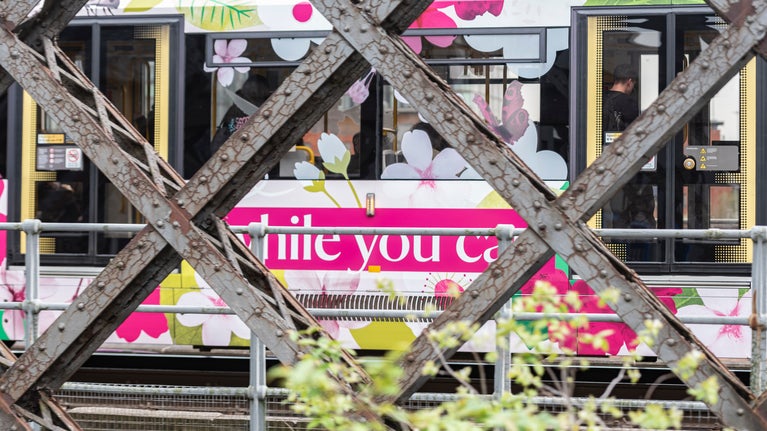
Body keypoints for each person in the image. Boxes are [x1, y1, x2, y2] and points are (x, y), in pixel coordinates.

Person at [601, 64, 657, 261]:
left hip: (604, 168)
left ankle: (615, 250)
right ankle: (642, 253)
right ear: (630, 82)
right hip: (627, 169)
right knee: (640, 207)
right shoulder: (629, 104)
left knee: (614, 212)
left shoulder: (601, 101)